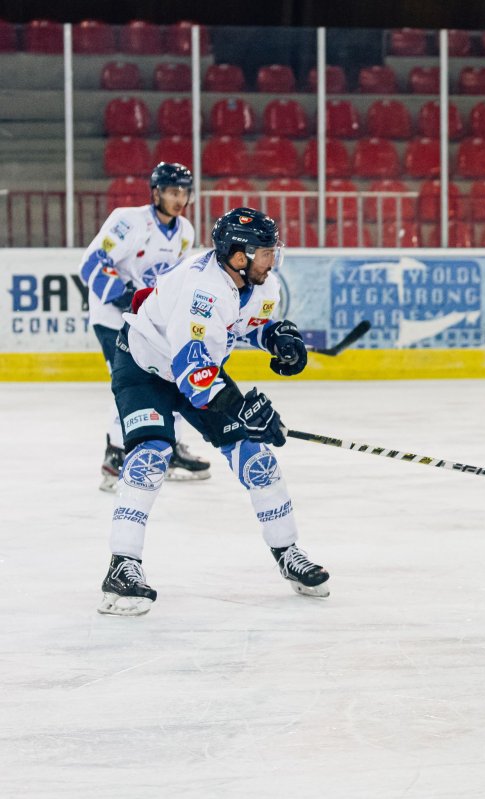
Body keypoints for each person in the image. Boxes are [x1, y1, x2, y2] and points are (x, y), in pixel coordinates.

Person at [97, 207, 329, 616]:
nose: (271, 259)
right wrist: (245, 411)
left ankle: (288, 551)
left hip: (194, 367)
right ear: (238, 256)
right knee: (149, 457)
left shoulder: (260, 283)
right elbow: (195, 378)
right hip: (144, 369)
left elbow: (238, 325)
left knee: (256, 458)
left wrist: (273, 337)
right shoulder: (201, 290)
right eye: (264, 252)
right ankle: (122, 565)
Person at [79, 162, 212, 491]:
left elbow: (174, 279)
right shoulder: (128, 222)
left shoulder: (185, 232)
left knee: (172, 374)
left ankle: (170, 447)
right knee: (127, 381)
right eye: (172, 191)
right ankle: (115, 453)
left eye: (184, 192)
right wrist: (121, 295)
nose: (179, 199)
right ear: (156, 193)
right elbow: (92, 263)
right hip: (112, 318)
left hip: (148, 320)